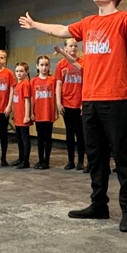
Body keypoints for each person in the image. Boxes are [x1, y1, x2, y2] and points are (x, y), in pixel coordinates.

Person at [19, 0, 127, 233]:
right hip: (89, 100)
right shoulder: (88, 22)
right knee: (96, 156)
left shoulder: (121, 20)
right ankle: (98, 204)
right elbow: (61, 30)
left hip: (116, 100)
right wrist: (35, 25)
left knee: (121, 157)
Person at [55, 38, 85, 171]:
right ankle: (70, 160)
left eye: (75, 46)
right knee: (69, 133)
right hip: (66, 103)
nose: (73, 48)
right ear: (65, 48)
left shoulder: (83, 63)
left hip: (80, 103)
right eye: (70, 46)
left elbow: (86, 83)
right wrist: (58, 102)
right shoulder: (61, 64)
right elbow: (58, 84)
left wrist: (84, 102)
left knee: (81, 134)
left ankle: (81, 161)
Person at [31, 56, 56, 170]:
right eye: (41, 65)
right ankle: (40, 160)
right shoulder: (33, 81)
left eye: (46, 65)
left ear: (49, 66)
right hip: (38, 113)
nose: (44, 67)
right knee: (40, 138)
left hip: (48, 113)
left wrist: (55, 111)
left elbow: (55, 96)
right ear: (37, 66)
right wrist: (31, 112)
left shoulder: (53, 80)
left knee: (48, 138)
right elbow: (31, 98)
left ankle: (47, 161)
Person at [12, 62, 32, 169]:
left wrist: (27, 115)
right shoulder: (17, 84)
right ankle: (20, 158)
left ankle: (25, 160)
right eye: (17, 71)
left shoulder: (25, 84)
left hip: (23, 115)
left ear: (26, 72)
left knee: (25, 138)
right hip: (18, 115)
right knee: (19, 138)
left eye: (21, 71)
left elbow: (27, 100)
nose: (19, 73)